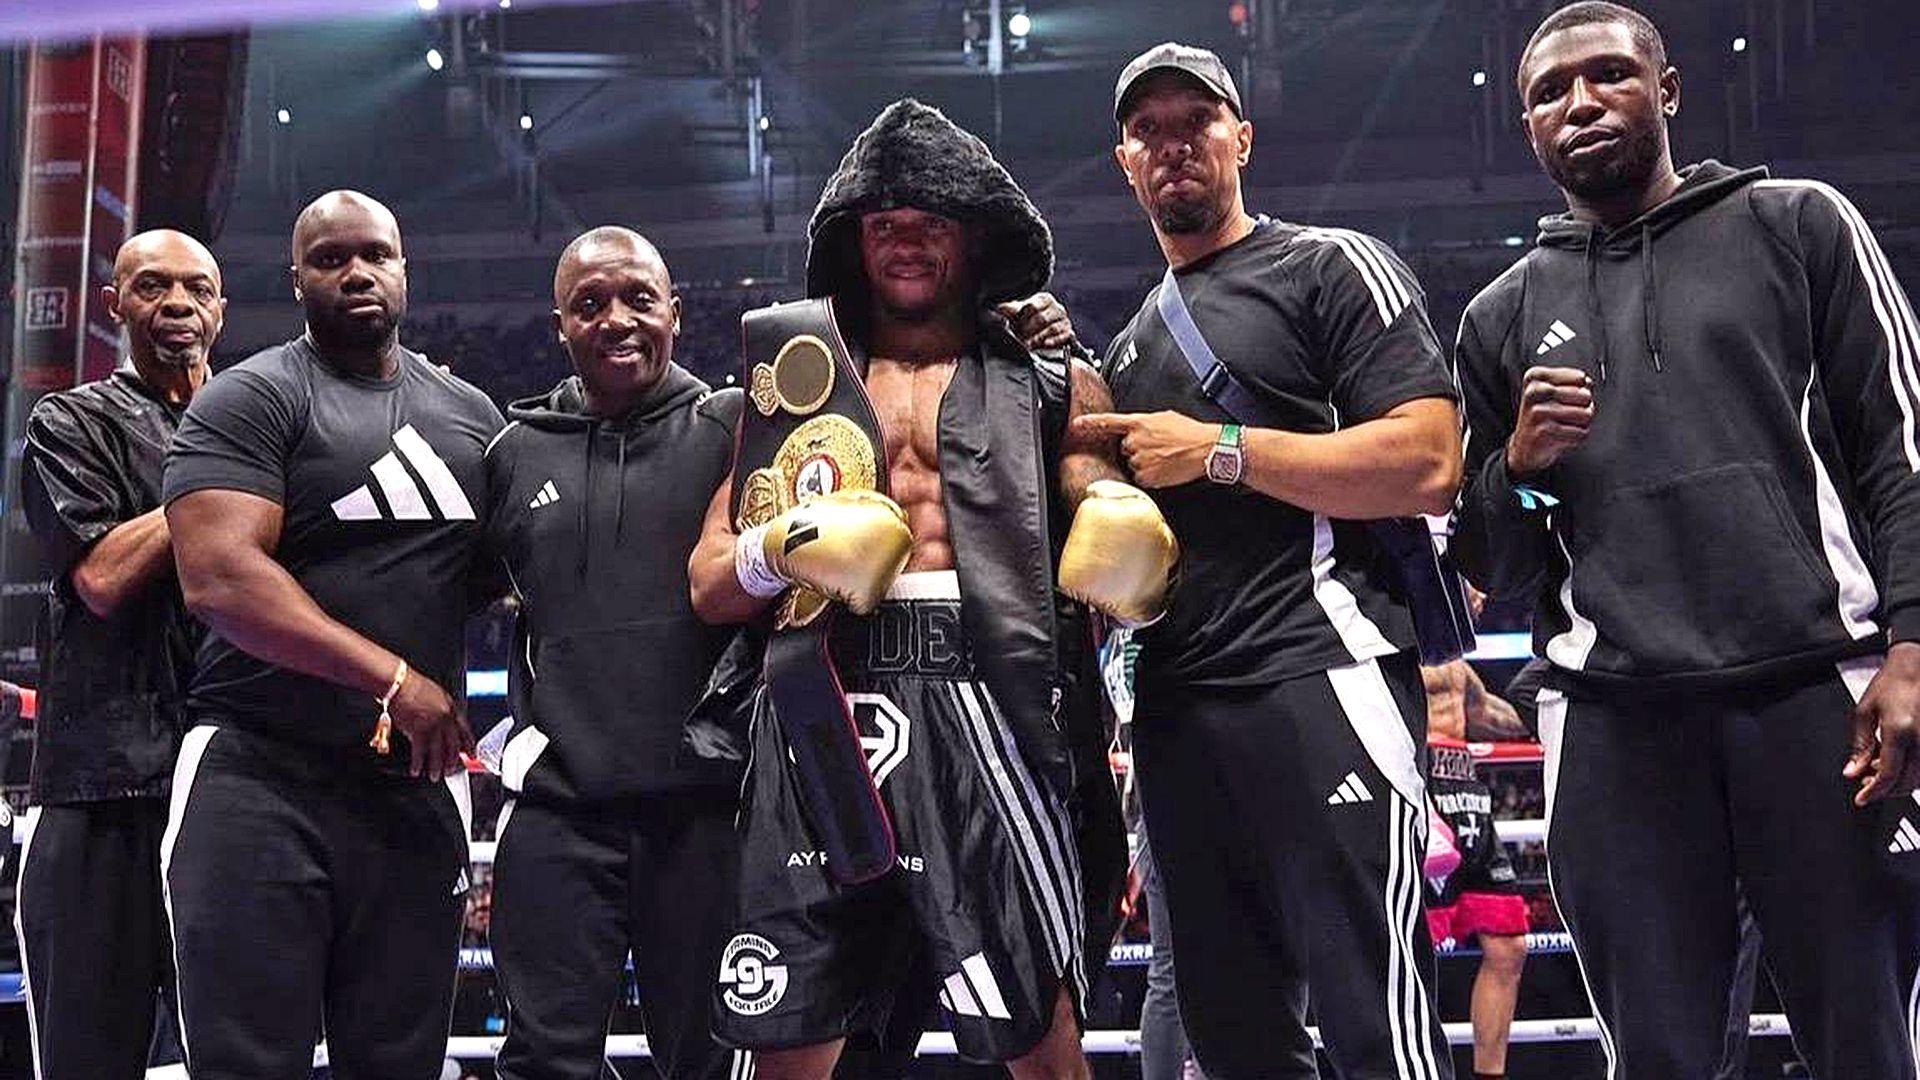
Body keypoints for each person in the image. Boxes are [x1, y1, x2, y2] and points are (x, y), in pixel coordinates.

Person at [478, 223, 1085, 1080]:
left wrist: (1016, 325)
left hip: (710, 805)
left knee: (718, 1054)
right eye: (590, 304)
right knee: (540, 1058)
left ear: (676, 315)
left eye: (638, 299)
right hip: (561, 808)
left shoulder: (741, 424)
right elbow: (449, 591)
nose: (616, 319)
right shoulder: (509, 454)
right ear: (559, 326)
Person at [1452, 3, 1920, 1075]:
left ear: (1664, 91)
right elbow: (1497, 565)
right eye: (1549, 92)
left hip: (1817, 693)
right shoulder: (1500, 316)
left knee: (1866, 1038)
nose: (1580, 102)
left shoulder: (1797, 225)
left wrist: (1912, 643)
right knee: (1658, 1055)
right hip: (1617, 720)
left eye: (1609, 74)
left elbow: (1901, 449)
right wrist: (1519, 472)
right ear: (1529, 128)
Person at [689, 98, 1174, 1080]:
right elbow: (708, 582)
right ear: (851, 242)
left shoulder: (1050, 379)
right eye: (883, 227)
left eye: (929, 225)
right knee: (788, 1028)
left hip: (993, 695)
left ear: (972, 235)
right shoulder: (796, 388)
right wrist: (779, 548)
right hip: (823, 696)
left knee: (1041, 1035)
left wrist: (1115, 526)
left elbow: (1096, 491)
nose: (905, 245)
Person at [1081, 42, 1462, 1079]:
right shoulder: (1122, 353)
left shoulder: (1331, 265)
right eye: (1148, 132)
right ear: (1124, 162)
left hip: (1319, 672)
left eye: (1194, 122)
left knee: (1374, 1017)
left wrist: (1217, 451)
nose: (1173, 146)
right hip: (1174, 711)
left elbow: (1429, 461)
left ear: (1241, 137)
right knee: (1231, 1033)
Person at [162, 190, 504, 1078]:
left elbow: (518, 578)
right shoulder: (250, 398)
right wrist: (393, 676)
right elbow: (221, 577)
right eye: (330, 259)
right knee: (247, 1061)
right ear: (297, 279)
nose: (356, 272)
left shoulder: (473, 418)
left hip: (410, 788)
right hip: (257, 776)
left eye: (374, 255)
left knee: (399, 1061)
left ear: (403, 268)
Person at [15, 229, 219, 1079]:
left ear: (221, 307)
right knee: (90, 1053)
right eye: (152, 287)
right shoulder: (69, 422)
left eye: (196, 289)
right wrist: (220, 478)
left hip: (231, 783)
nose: (177, 305)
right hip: (105, 789)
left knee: (243, 1045)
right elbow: (99, 576)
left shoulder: (262, 423)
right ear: (115, 304)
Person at [1421, 657, 1529, 1080]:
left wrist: (1550, 711)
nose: (1483, 596)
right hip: (1421, 786)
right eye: (1473, 586)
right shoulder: (1396, 635)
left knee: (1509, 945)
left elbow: (1484, 714)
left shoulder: (1454, 660)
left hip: (1468, 795)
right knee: (1412, 945)